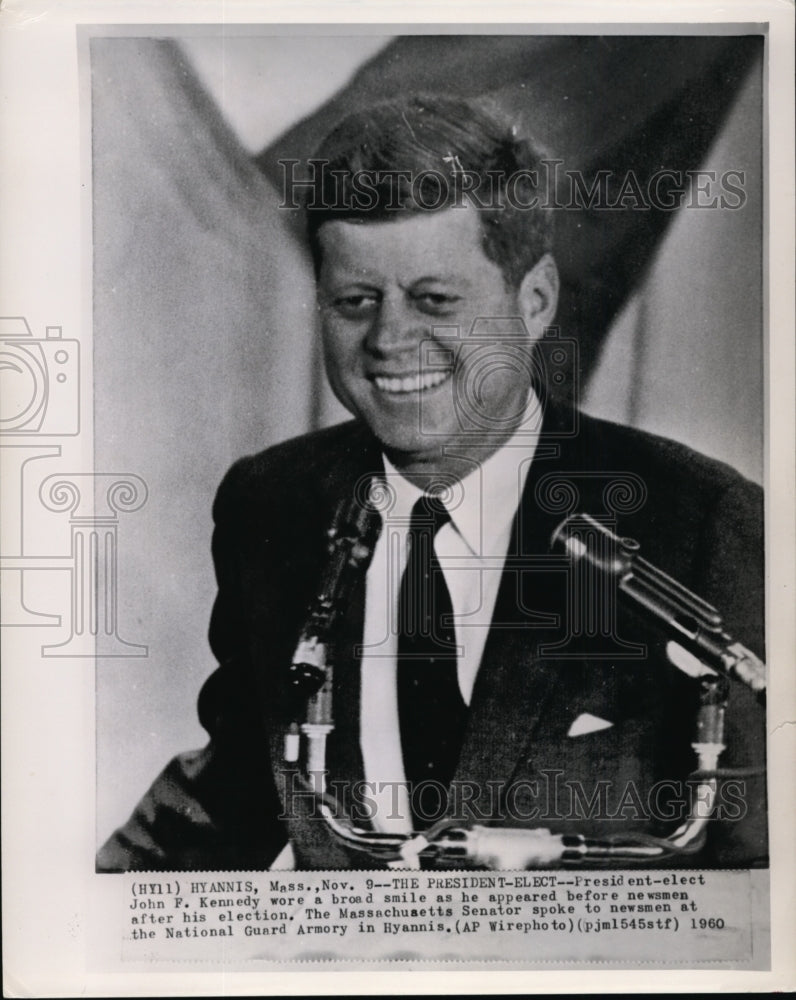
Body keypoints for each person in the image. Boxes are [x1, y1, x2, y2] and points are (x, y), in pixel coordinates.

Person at [97, 95, 766, 872]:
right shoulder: (272, 504)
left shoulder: (699, 521)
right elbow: (239, 789)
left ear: (537, 299)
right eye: (356, 302)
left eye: (434, 300)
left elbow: (762, 865)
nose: (389, 340)